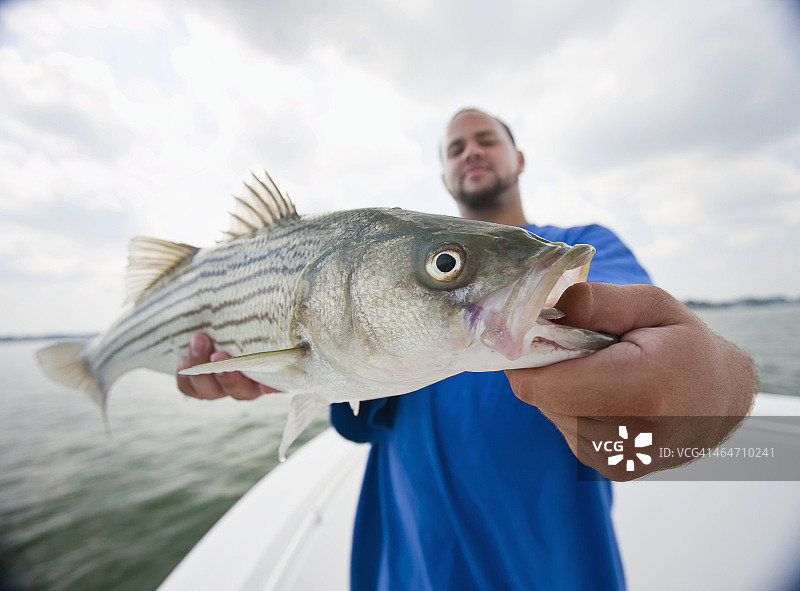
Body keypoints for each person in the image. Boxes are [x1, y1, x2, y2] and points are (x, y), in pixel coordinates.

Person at [177, 108, 757, 590]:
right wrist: (282, 373)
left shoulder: (588, 248)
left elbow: (658, 411)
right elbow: (360, 420)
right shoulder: (378, 290)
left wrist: (718, 392)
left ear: (517, 157)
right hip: (406, 573)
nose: (471, 152)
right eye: (455, 147)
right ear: (445, 174)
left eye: (486, 139)